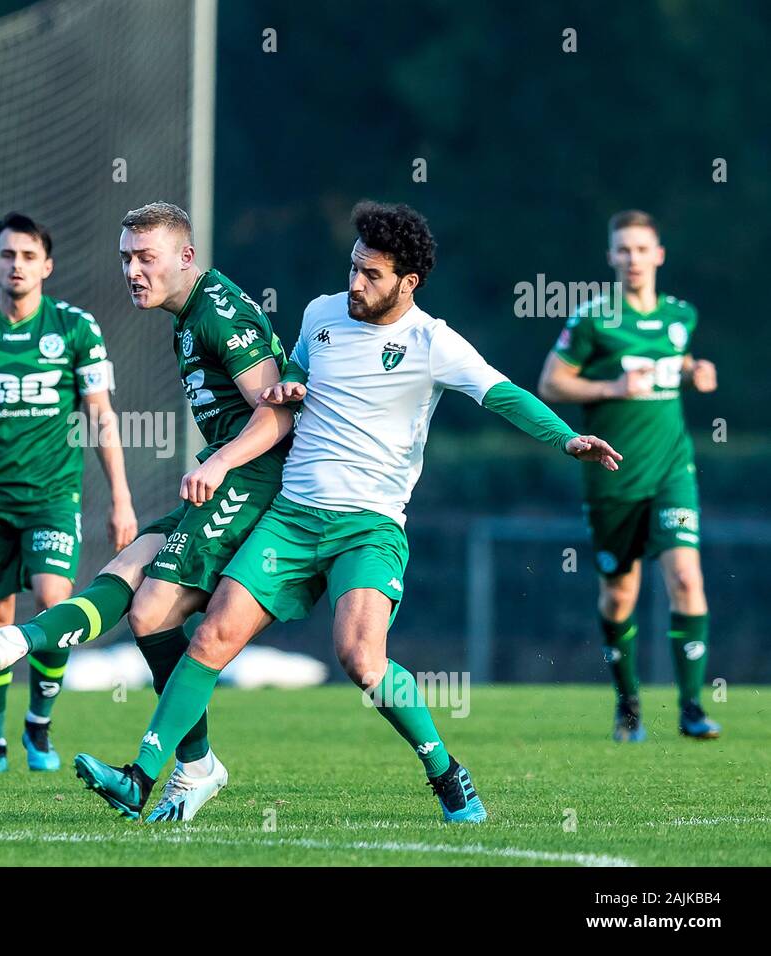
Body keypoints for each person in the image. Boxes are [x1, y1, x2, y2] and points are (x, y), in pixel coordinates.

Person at [71, 201, 622, 823]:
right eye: (353, 267)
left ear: (407, 282)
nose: (355, 283)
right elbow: (296, 382)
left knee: (362, 659)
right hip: (292, 517)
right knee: (211, 636)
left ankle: (445, 771)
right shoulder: (322, 313)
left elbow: (502, 393)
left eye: (372, 275)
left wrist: (565, 438)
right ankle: (141, 778)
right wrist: (287, 388)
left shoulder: (432, 341)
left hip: (369, 525)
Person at [0, 201, 287, 821]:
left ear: (186, 257)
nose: (133, 271)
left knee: (149, 610)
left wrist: (219, 463)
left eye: (147, 257)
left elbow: (276, 412)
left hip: (254, 483)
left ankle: (175, 763)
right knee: (131, 566)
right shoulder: (185, 315)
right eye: (126, 257)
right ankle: (185, 761)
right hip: (227, 480)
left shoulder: (217, 312)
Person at [0, 212, 136, 773]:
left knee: (55, 601)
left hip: (52, 495)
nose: (17, 265)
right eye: (7, 255)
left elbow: (101, 418)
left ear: (46, 265)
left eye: (28, 256)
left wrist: (120, 498)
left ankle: (39, 729)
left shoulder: (75, 328)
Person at [538, 209, 720, 741]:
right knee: (621, 594)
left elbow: (677, 360)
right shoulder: (595, 319)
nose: (633, 258)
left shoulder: (681, 315)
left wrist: (695, 371)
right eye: (624, 249)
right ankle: (630, 703)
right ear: (611, 257)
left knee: (687, 577)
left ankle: (691, 707)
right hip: (614, 475)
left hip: (672, 470)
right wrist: (610, 388)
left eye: (642, 249)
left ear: (659, 254)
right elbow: (552, 383)